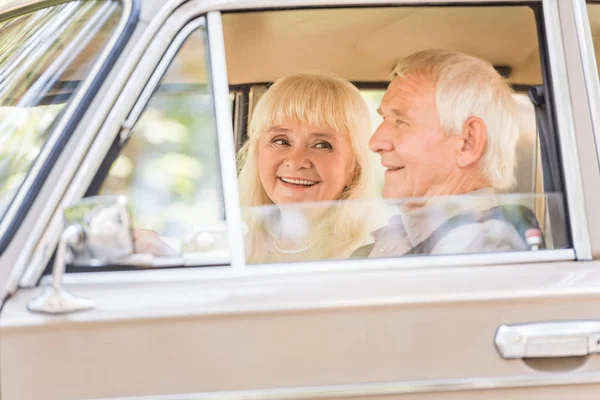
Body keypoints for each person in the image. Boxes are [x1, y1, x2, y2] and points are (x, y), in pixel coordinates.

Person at [353, 49, 540, 259]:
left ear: (468, 142)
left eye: (401, 122)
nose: (375, 142)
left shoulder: (485, 246)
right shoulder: (426, 239)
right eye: (384, 119)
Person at [237, 72, 377, 263]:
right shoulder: (231, 245)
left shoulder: (366, 258)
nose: (295, 160)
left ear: (354, 168)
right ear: (257, 154)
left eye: (322, 145)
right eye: (281, 141)